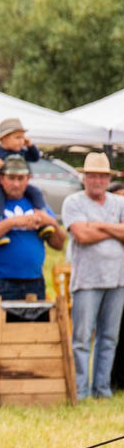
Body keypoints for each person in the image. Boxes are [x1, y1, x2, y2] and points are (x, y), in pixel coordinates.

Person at [0, 155, 66, 320]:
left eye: (21, 178)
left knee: (32, 339)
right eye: (11, 178)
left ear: (28, 179)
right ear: (1, 179)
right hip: (0, 282)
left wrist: (52, 222)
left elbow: (58, 244)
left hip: (35, 282)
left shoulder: (37, 204)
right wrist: (12, 222)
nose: (16, 183)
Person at [61, 152, 124, 399]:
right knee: (82, 338)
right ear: (84, 178)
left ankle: (102, 389)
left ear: (108, 178)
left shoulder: (119, 203)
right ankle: (81, 391)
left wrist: (97, 225)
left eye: (101, 176)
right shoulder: (73, 202)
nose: (97, 180)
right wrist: (116, 230)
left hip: (118, 279)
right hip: (87, 280)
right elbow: (82, 236)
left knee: (109, 337)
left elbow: (91, 230)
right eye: (92, 176)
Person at [0, 119, 54, 245]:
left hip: (17, 186)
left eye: (23, 137)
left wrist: (31, 146)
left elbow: (35, 157)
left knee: (35, 192)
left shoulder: (21, 152)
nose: (22, 141)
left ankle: (41, 221)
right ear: (4, 139)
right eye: (18, 137)